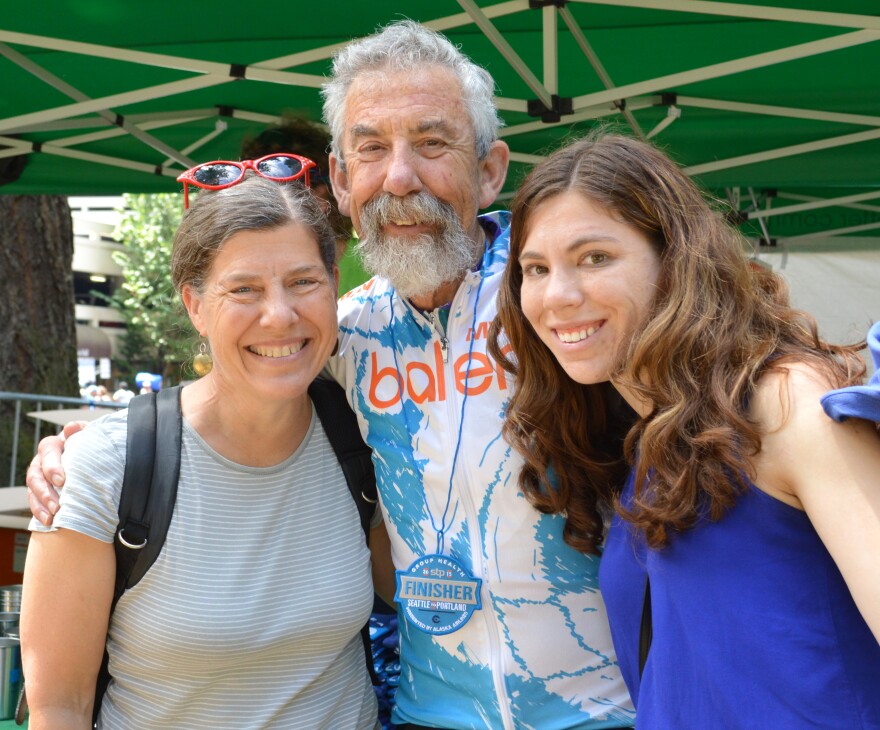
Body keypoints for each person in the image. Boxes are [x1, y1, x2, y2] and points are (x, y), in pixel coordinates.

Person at [27, 21, 636, 730]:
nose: (400, 177)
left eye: (433, 144)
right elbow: (242, 367)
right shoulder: (340, 334)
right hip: (427, 717)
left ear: (492, 170)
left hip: (610, 713)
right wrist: (87, 450)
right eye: (372, 149)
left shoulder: (560, 309)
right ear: (343, 181)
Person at [492, 132, 880, 727]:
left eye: (595, 257)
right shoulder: (647, 442)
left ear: (675, 262)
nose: (558, 296)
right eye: (536, 269)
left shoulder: (783, 400)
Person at [22, 173, 383, 729]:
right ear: (194, 304)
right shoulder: (107, 468)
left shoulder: (364, 432)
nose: (280, 315)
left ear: (335, 284)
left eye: (303, 281)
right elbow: (58, 707)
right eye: (244, 289)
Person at [240, 116, 370, 295]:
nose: (272, 199)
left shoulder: (378, 265)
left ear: (325, 192)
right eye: (256, 185)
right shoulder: (238, 266)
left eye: (291, 183)